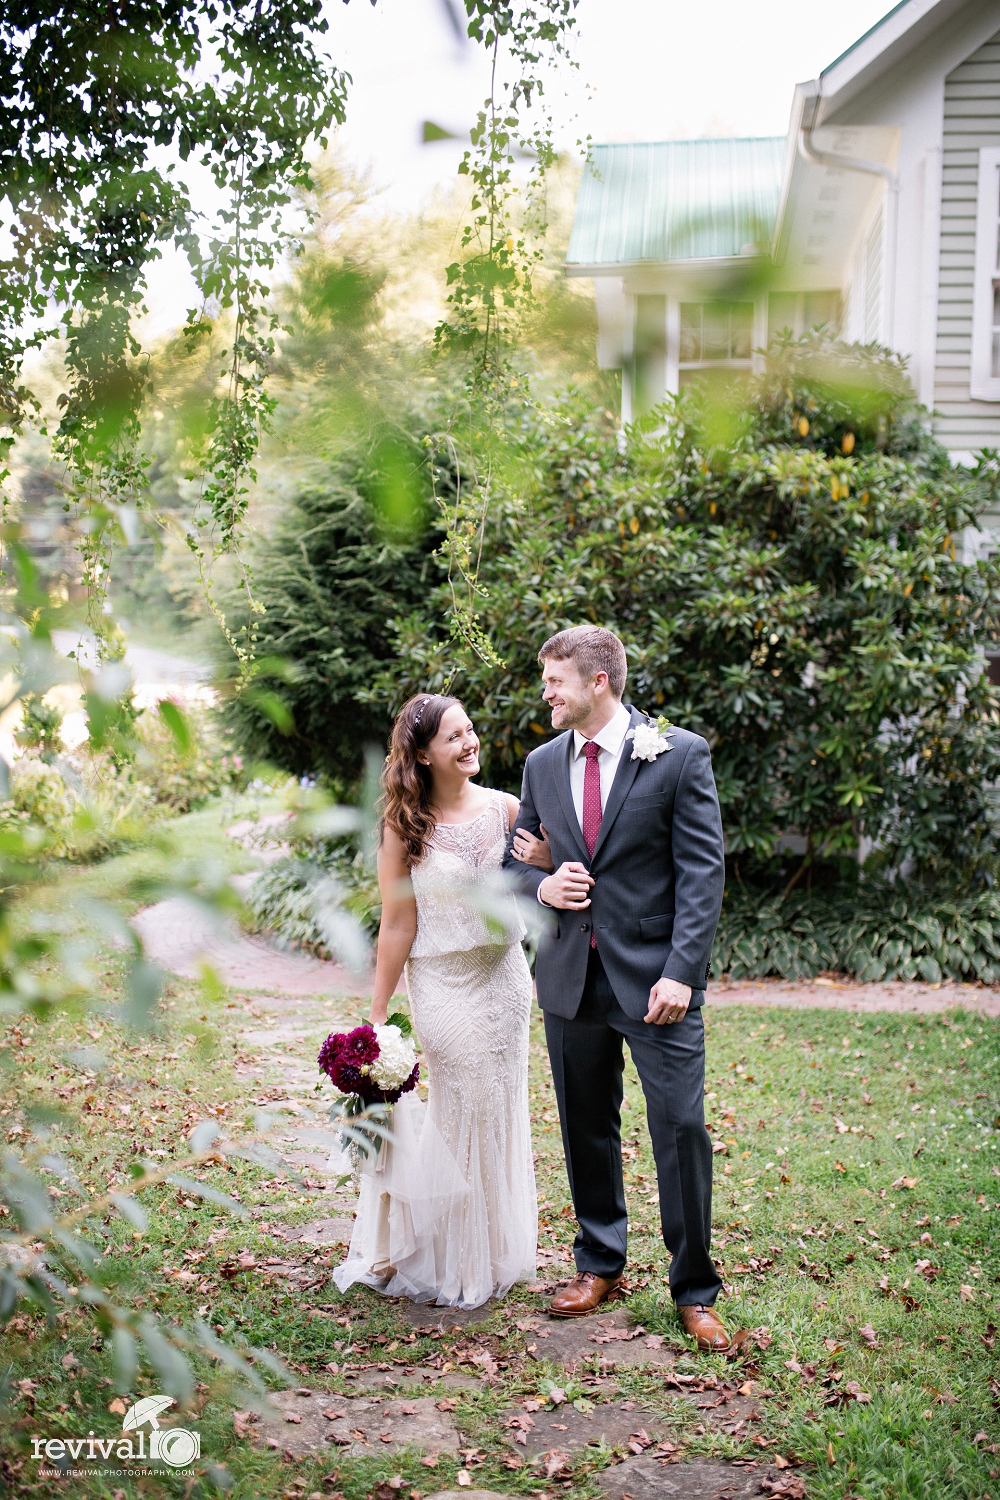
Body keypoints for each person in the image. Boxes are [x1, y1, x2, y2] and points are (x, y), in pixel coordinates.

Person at [504, 625, 728, 1349]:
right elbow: (515, 870)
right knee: (585, 1129)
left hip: (655, 982)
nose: (546, 693)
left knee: (681, 1130)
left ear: (598, 681)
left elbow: (702, 873)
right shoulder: (541, 764)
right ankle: (599, 1262)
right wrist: (546, 885)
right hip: (572, 978)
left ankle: (695, 1288)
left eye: (555, 681)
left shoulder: (677, 753)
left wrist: (681, 975)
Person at [332, 693, 537, 1309]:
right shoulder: (405, 827)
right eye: (454, 736)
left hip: (503, 981)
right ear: (422, 755)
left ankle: (490, 1251)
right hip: (442, 985)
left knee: (496, 1112)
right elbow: (396, 923)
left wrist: (549, 862)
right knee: (461, 1107)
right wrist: (376, 1016)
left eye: (471, 730)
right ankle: (447, 1258)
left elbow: (538, 880)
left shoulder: (508, 809)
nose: (470, 741)